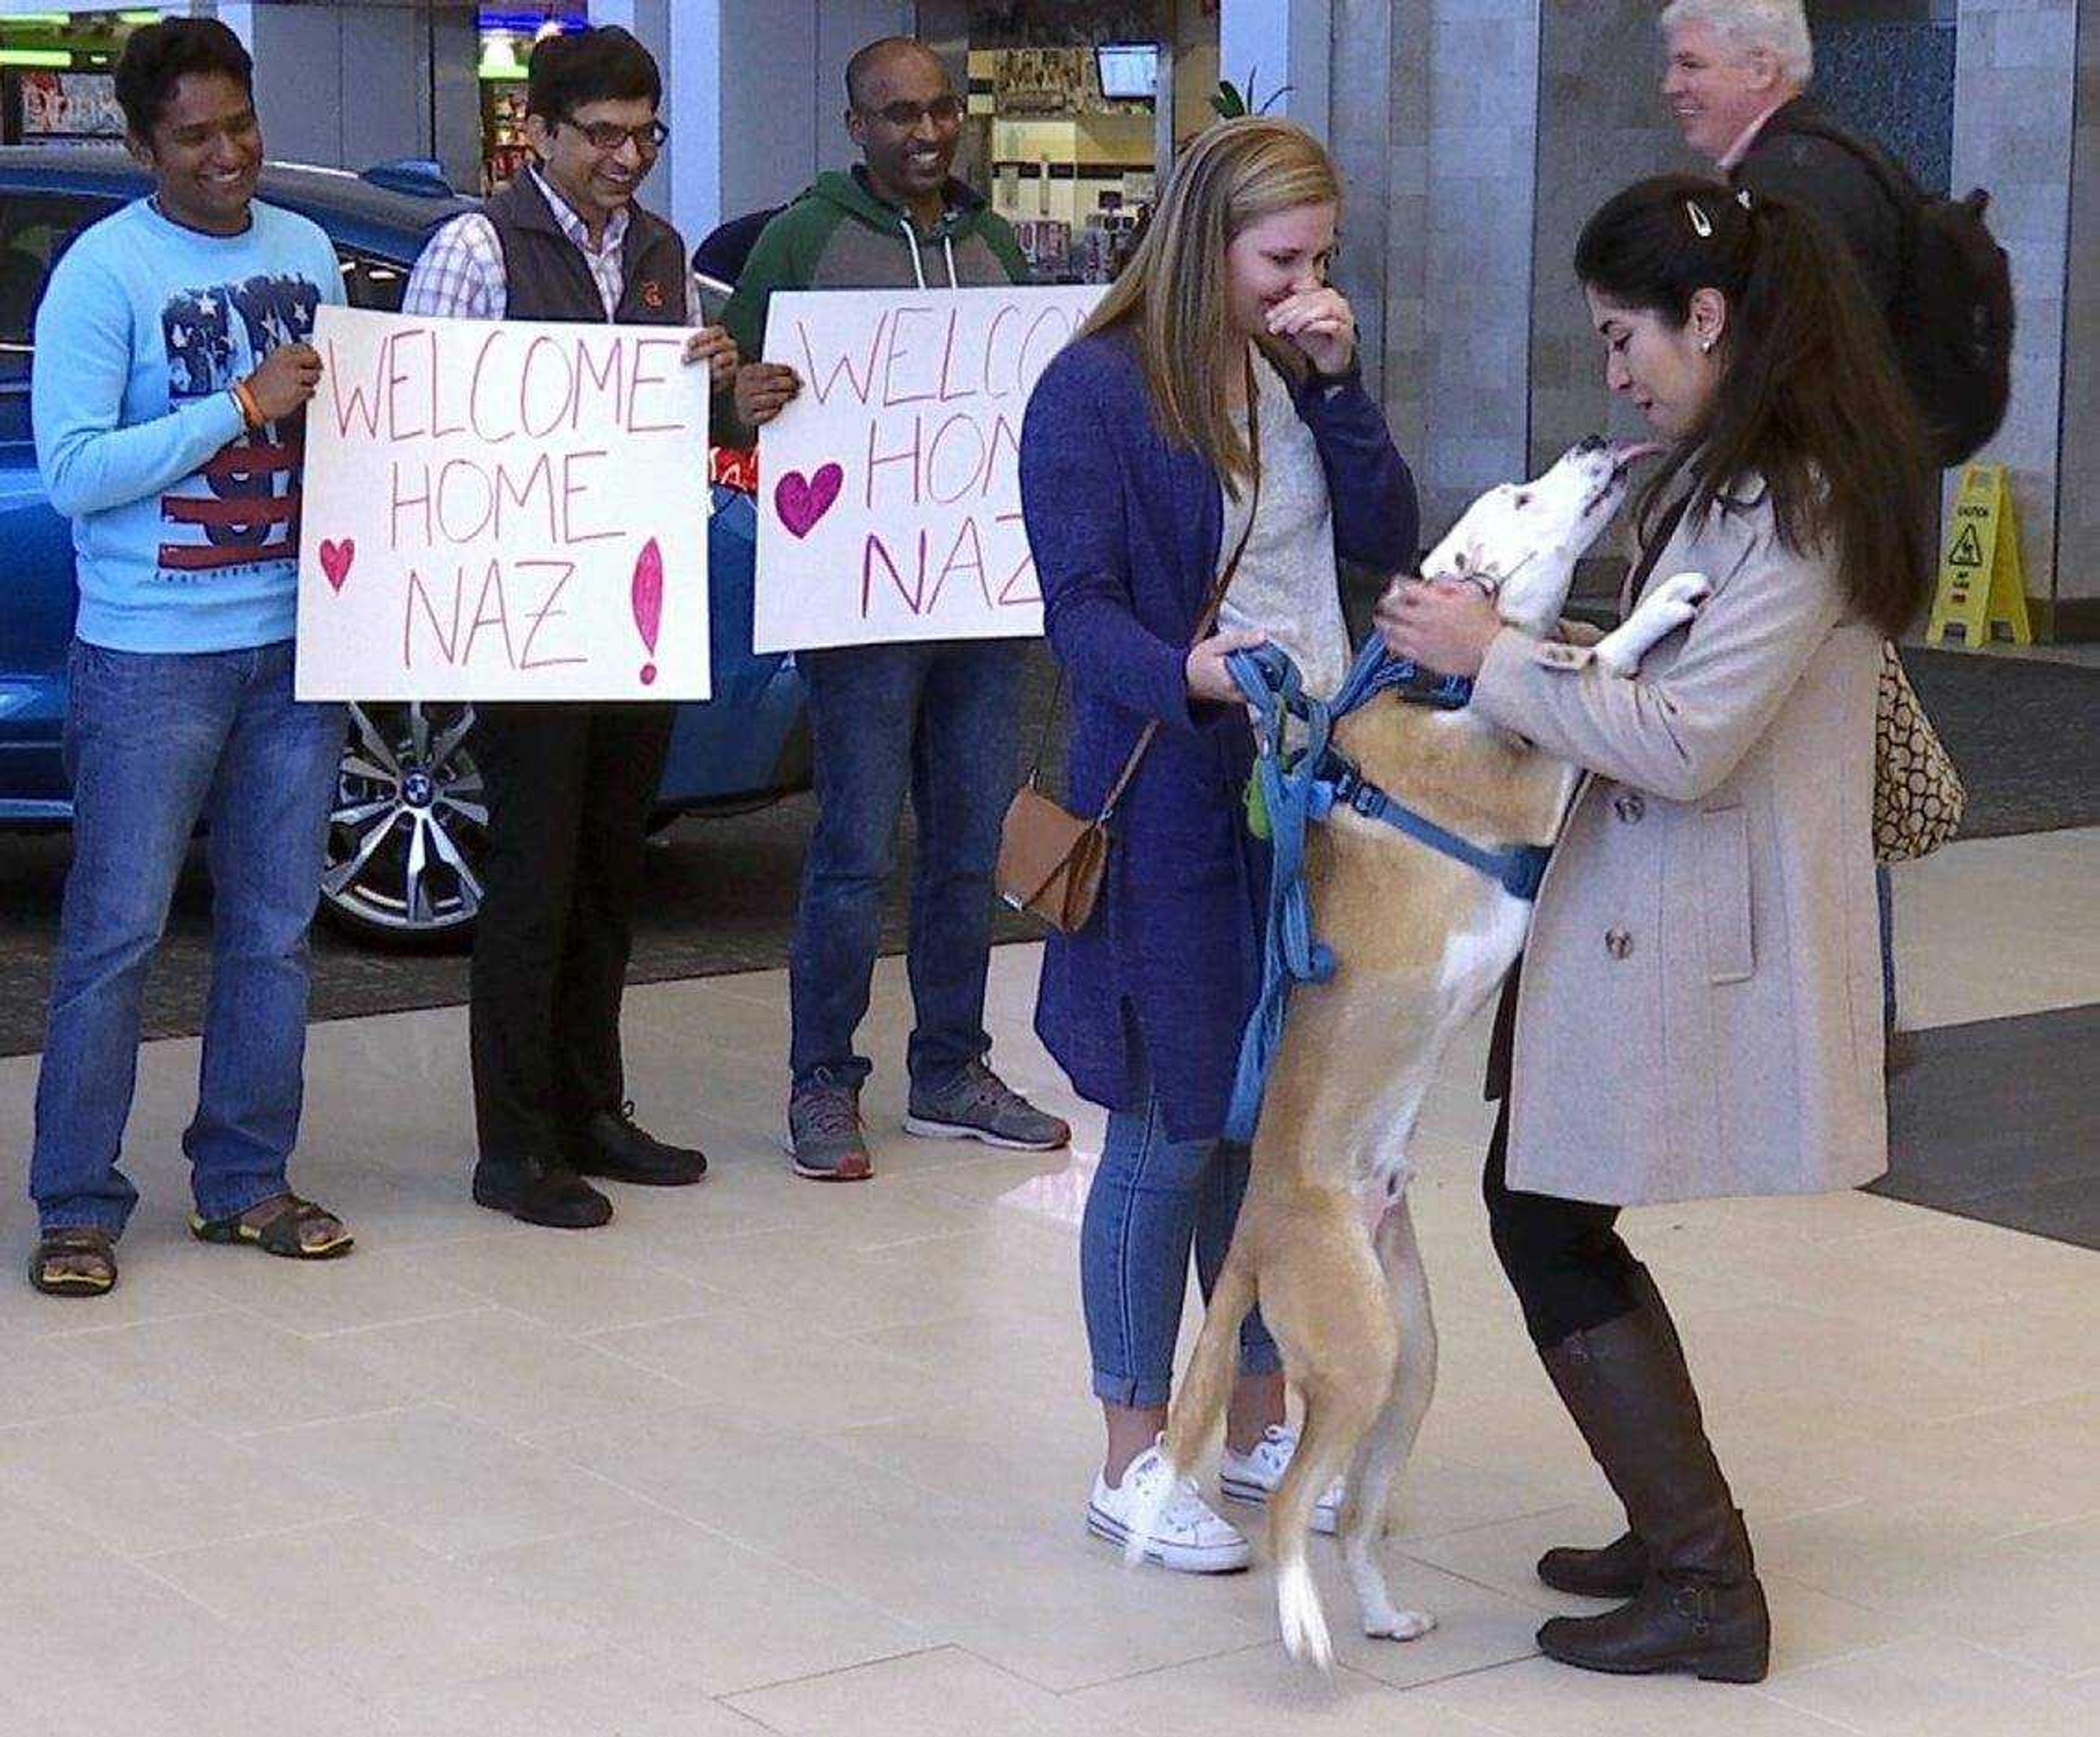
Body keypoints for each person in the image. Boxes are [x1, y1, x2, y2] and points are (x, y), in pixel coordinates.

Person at [1376, 173, 1933, 1681]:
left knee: (1539, 1210)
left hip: (1692, 909)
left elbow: (1689, 737)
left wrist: (1496, 657)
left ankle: (1709, 1586)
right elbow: (1654, 680)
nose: (1615, 372)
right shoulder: (1740, 470)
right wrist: (1522, 645)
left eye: (1630, 338)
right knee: (1549, 1200)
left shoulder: (1798, 499)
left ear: (1712, 319)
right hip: (1645, 901)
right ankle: (1672, 1526)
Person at [1020, 119, 1419, 1570]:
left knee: (1263, 1125)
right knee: (1165, 1124)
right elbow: (1080, 614)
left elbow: (1382, 533)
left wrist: (1340, 382)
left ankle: (1254, 1410)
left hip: (1305, 792)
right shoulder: (1097, 392)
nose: (1308, 284)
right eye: (1282, 260)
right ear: (1210, 247)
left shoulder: (1291, 373)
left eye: (1323, 258)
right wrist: (1190, 673)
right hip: (1174, 800)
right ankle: (1131, 1452)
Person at [25, 18, 355, 1295]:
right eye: (196, 137)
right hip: (151, 654)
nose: (229, 156)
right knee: (115, 935)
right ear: (142, 142)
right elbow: (70, 471)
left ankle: (244, 1181)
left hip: (291, 643)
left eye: (243, 124)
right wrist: (235, 407)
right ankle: (76, 1201)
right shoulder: (104, 274)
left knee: (273, 932)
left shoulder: (308, 246)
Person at [401, 26, 734, 1229]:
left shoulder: (659, 249)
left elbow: (667, 424)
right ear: (536, 133)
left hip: (630, 609)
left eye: (646, 134)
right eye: (602, 136)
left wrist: (718, 387)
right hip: (524, 613)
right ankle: (516, 1143)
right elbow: (429, 429)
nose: (627, 158)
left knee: (608, 866)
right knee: (533, 877)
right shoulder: (476, 249)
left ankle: (595, 1104)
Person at [723, 37, 1069, 1182]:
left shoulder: (998, 244)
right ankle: (823, 1080)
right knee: (855, 849)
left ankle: (950, 1069)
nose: (925, 134)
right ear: (854, 125)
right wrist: (743, 401)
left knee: (968, 842)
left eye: (941, 112)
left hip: (976, 595)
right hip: (856, 604)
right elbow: (732, 411)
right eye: (897, 115)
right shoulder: (803, 240)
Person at [1661, 0, 1908, 1056]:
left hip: (1806, 525)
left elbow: (1795, 373)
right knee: (1845, 774)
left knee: (1824, 779)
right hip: (1853, 512)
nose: (1671, 85)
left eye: (1689, 63)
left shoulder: (1789, 197)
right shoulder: (1843, 164)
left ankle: (1843, 1022)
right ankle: (1857, 1014)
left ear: (1763, 67)